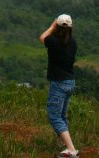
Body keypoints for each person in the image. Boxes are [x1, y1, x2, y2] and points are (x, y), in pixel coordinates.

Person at [39, 14, 78, 158]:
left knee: (54, 116)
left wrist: (52, 26)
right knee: (62, 115)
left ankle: (71, 150)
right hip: (70, 82)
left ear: (58, 26)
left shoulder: (53, 41)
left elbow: (42, 37)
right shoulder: (73, 42)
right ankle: (63, 143)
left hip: (59, 83)